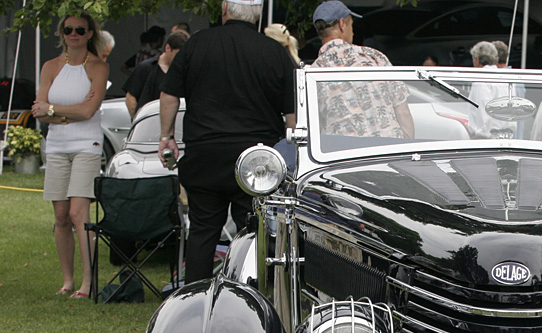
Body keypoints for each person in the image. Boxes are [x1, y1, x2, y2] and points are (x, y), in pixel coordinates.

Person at [158, 0, 296, 283]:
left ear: (224, 11)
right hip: (256, 162)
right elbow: (292, 113)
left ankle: (195, 294)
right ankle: (253, 291)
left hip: (204, 154)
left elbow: (169, 94)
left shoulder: (196, 44)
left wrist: (166, 137)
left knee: (202, 231)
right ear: (257, 16)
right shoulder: (274, 51)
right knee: (255, 231)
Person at [31, 12, 109, 298]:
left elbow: (89, 111)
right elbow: (39, 110)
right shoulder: (51, 66)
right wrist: (64, 112)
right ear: (61, 34)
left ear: (89, 33)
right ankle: (67, 280)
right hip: (56, 146)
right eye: (68, 30)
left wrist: (54, 110)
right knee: (61, 216)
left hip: (86, 145)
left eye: (79, 29)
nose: (73, 34)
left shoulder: (98, 67)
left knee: (79, 214)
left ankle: (88, 283)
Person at [311, 0, 414, 139]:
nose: (353, 31)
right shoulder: (374, 56)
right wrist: (408, 150)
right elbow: (403, 112)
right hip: (389, 149)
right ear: (342, 24)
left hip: (346, 155)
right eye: (352, 25)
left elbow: (315, 127)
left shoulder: (315, 72)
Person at [124, 30, 188, 118]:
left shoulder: (185, 71)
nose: (181, 58)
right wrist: (138, 120)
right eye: (177, 54)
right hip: (149, 122)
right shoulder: (146, 67)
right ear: (168, 48)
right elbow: (130, 97)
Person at [467, 41, 515, 140]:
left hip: (489, 139)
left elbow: (483, 112)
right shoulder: (507, 79)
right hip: (509, 137)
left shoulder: (481, 81)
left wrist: (480, 137)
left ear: (477, 59)